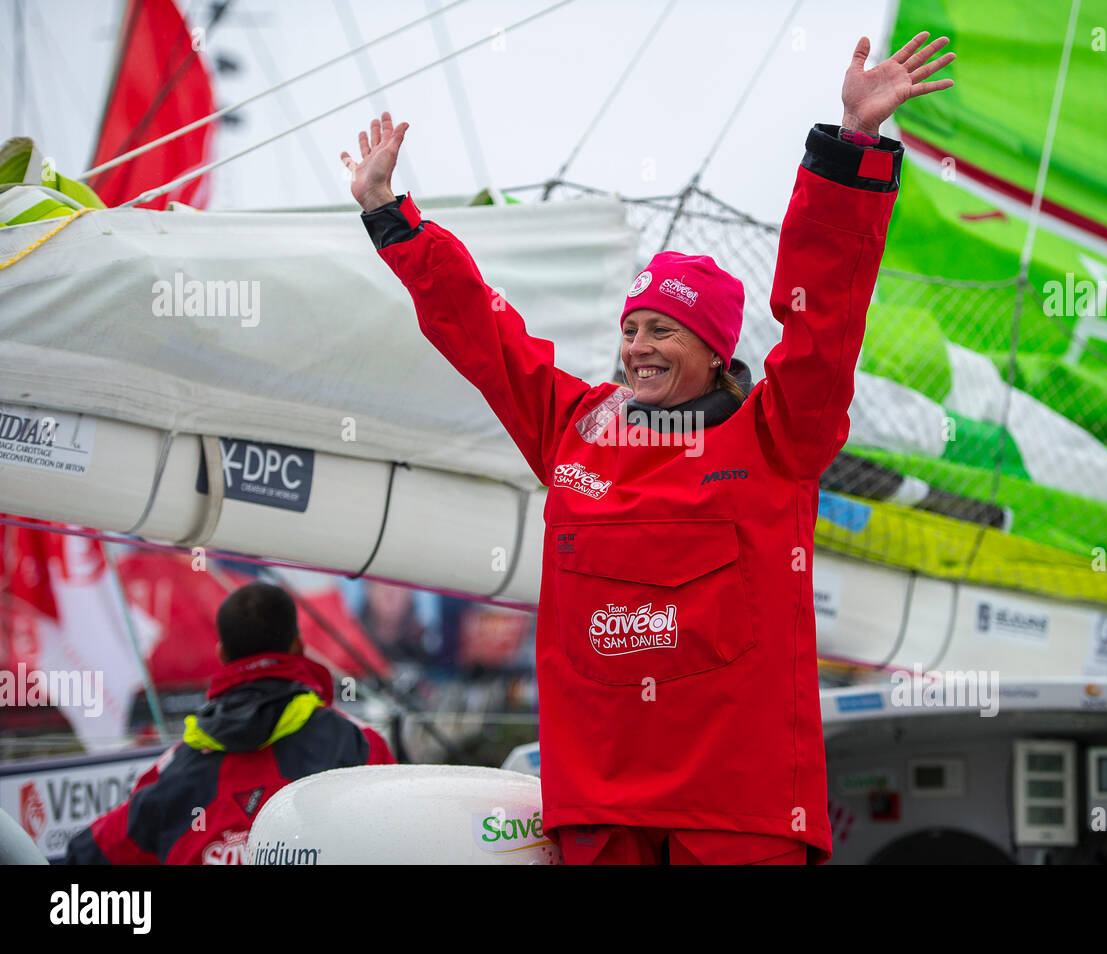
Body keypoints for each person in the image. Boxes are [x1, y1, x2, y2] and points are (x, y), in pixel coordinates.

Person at [342, 32, 953, 865]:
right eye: (629, 330)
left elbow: (824, 326)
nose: (638, 348)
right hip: (602, 816)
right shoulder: (575, 429)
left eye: (662, 329)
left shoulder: (780, 437)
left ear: (713, 349)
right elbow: (483, 335)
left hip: (738, 818)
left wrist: (851, 148)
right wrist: (390, 217)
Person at [64, 582, 395, 865]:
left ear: (222, 655)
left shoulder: (174, 772)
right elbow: (402, 836)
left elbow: (88, 854)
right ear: (298, 646)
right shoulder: (359, 743)